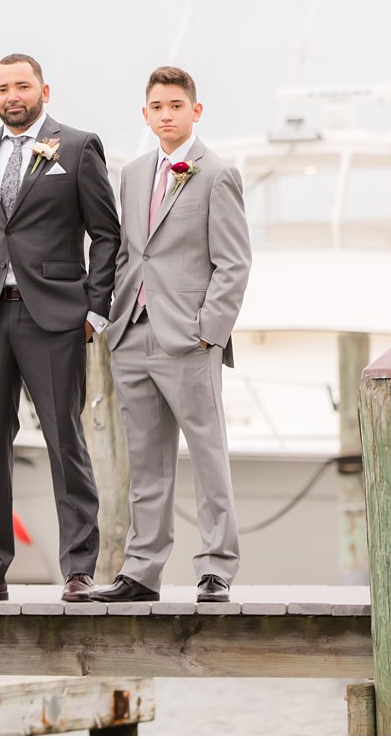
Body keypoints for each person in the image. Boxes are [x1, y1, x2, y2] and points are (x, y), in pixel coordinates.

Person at [0, 53, 120, 602]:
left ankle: (79, 568)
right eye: (1, 88)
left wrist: (94, 308)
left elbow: (106, 233)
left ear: (44, 89)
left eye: (22, 86)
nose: (12, 96)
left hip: (55, 317)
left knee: (66, 441)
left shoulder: (77, 146)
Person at [88, 65, 251, 603]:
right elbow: (130, 253)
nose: (166, 115)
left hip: (190, 339)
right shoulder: (133, 173)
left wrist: (211, 333)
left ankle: (216, 566)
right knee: (146, 460)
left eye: (176, 106)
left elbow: (233, 263)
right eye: (157, 107)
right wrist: (111, 320)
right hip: (133, 334)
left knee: (208, 453)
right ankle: (141, 569)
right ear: (146, 113)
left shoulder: (217, 173)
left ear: (195, 111)